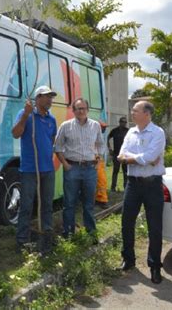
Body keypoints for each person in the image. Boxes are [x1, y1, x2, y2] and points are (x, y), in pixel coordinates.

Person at [117, 101, 165, 284]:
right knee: (126, 222)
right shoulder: (130, 132)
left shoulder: (158, 133)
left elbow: (150, 157)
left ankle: (154, 266)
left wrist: (132, 158)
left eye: (135, 110)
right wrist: (140, 159)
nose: (132, 113)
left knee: (155, 226)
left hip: (152, 185)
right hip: (133, 184)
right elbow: (121, 155)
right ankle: (128, 260)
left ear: (146, 113)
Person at [12, 85, 57, 253]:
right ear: (38, 98)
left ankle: (46, 236)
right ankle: (22, 240)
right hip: (30, 169)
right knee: (26, 205)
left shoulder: (51, 119)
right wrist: (25, 114)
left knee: (47, 205)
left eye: (51, 97)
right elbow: (15, 133)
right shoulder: (26, 114)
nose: (50, 100)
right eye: (46, 96)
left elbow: (52, 139)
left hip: (47, 169)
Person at [55, 98, 104, 239]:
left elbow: (101, 144)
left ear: (87, 110)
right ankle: (68, 234)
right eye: (77, 108)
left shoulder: (95, 126)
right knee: (69, 203)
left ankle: (91, 233)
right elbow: (57, 147)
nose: (80, 111)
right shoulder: (66, 126)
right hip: (72, 168)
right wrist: (65, 164)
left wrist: (98, 158)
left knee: (89, 204)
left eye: (83, 108)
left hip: (89, 169)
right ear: (73, 110)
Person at [108, 116, 129, 191]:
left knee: (125, 171)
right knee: (115, 171)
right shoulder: (114, 131)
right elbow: (108, 138)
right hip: (116, 154)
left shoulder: (128, 131)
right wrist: (110, 149)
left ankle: (126, 188)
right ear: (119, 122)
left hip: (125, 155)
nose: (124, 123)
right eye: (122, 122)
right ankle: (113, 187)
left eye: (125, 122)